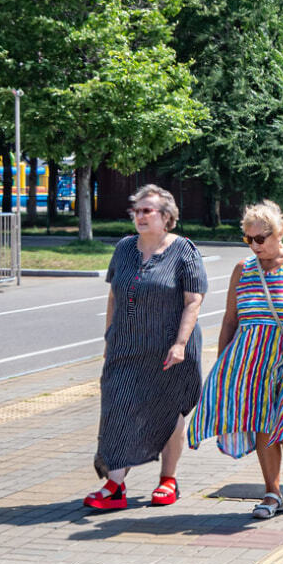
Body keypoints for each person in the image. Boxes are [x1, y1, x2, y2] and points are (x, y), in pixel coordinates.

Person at [187, 200, 283, 518]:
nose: (254, 246)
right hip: (251, 363)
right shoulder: (243, 269)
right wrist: (222, 362)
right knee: (263, 425)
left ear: (279, 232)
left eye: (260, 239)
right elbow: (230, 319)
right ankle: (271, 492)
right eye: (248, 239)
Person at [85, 185, 207, 511]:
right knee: (118, 408)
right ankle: (115, 486)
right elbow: (114, 296)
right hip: (126, 347)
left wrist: (181, 343)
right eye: (136, 211)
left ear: (166, 217)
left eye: (147, 210)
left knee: (168, 411)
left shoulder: (184, 250)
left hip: (170, 348)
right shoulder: (124, 248)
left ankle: (168, 480)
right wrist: (109, 336)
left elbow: (193, 300)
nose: (139, 216)